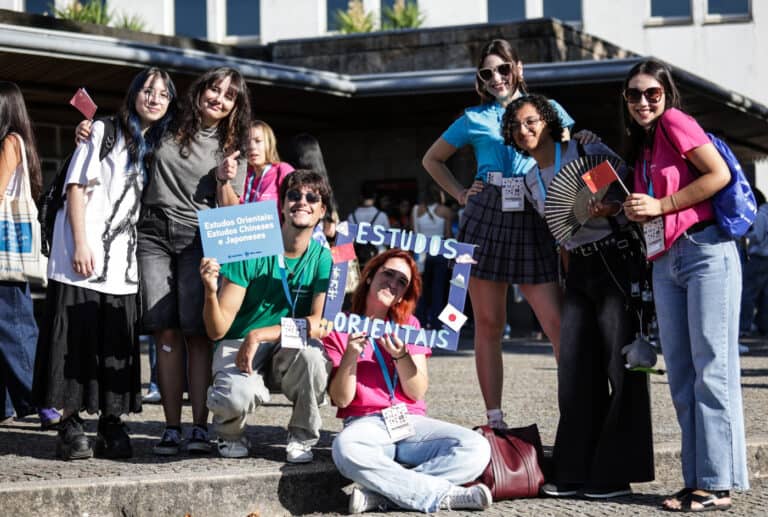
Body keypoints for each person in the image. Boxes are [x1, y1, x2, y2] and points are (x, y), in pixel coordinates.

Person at [422, 38, 585, 428]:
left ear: (519, 69)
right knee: (489, 324)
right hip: (485, 213)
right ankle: (494, 420)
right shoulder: (473, 118)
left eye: (503, 69)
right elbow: (432, 159)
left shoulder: (546, 110)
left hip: (535, 209)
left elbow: (571, 149)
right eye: (487, 72)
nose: (496, 78)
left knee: (556, 322)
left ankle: (578, 415)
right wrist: (461, 193)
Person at [503, 94, 654, 498]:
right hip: (579, 271)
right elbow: (560, 233)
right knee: (575, 371)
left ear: (549, 122)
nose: (525, 130)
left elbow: (629, 193)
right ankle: (574, 468)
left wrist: (610, 208)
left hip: (615, 260)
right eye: (516, 126)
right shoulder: (530, 178)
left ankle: (615, 475)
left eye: (531, 121)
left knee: (621, 368)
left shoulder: (584, 149)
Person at [622, 59, 748, 511]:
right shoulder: (644, 145)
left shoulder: (675, 122)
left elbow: (720, 175)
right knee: (681, 374)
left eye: (651, 93)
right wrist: (634, 210)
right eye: (634, 94)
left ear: (666, 95)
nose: (642, 101)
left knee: (711, 369)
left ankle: (717, 484)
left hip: (706, 251)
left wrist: (662, 204)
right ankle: (697, 477)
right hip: (666, 260)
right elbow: (651, 209)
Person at [32, 68, 177, 460]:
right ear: (133, 94)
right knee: (74, 341)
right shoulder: (101, 131)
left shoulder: (155, 148)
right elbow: (75, 187)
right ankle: (70, 424)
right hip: (82, 255)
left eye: (162, 94)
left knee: (113, 341)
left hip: (122, 267)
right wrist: (80, 242)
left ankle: (111, 422)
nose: (154, 98)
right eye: (147, 90)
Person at [325, 248, 492, 514]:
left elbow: (416, 392)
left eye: (401, 281)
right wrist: (350, 356)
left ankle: (384, 495)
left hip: (409, 421)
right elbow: (341, 398)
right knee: (345, 448)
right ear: (369, 276)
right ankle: (443, 495)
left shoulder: (410, 325)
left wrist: (401, 356)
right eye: (387, 274)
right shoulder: (339, 325)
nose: (393, 283)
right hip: (365, 422)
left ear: (404, 293)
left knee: (477, 447)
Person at [139, 67, 251, 456]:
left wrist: (224, 179)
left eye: (228, 96)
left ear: (235, 107)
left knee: (197, 335)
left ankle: (200, 429)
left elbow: (232, 213)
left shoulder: (233, 146)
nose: (218, 98)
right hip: (151, 233)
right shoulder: (166, 124)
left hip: (199, 239)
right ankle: (171, 428)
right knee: (165, 333)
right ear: (200, 90)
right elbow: (129, 135)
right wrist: (88, 132)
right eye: (214, 89)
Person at [201, 170, 333, 463]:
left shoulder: (323, 258)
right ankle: (230, 433)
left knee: (314, 358)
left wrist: (260, 334)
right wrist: (211, 291)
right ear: (282, 205)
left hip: (281, 343)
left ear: (322, 211)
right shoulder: (250, 248)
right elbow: (216, 329)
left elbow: (319, 323)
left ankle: (302, 436)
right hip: (238, 341)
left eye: (312, 197)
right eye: (294, 195)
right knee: (234, 395)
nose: (302, 202)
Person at [0, 81, 61, 431]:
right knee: (9, 326)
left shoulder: (10, 142)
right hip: (7, 254)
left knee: (15, 328)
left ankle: (45, 402)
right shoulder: (17, 141)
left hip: (4, 255)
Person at [284, 132, 339, 246]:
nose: (303, 202)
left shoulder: (288, 184)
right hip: (321, 252)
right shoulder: (325, 190)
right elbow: (331, 231)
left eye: (311, 198)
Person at [412, 183, 452, 328]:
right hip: (440, 250)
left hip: (421, 251)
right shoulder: (445, 211)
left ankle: (420, 320)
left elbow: (414, 232)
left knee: (421, 288)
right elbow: (448, 235)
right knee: (438, 289)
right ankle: (436, 322)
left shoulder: (416, 210)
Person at [239, 120, 294, 207]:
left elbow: (297, 203)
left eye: (258, 141)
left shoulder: (282, 170)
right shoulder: (242, 176)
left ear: (269, 143)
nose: (251, 147)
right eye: (247, 142)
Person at [740, 188, 768, 344]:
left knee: (748, 293)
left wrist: (744, 233)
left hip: (758, 257)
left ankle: (744, 325)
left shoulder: (761, 214)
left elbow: (757, 235)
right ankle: (763, 325)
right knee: (765, 295)